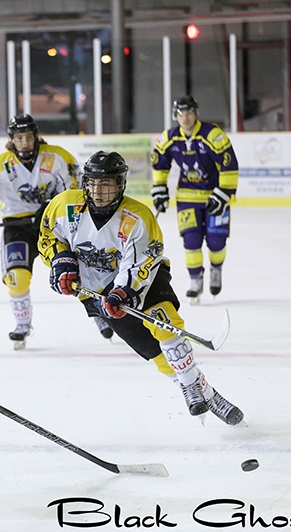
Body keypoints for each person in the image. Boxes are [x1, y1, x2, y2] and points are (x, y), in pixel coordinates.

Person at [39, 150, 243, 426]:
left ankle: (191, 386)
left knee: (164, 323)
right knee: (153, 351)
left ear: (120, 185)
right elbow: (50, 236)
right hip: (96, 292)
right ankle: (206, 393)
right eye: (93, 183)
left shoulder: (137, 216)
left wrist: (122, 291)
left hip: (142, 281)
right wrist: (60, 261)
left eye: (106, 184)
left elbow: (138, 264)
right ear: (85, 183)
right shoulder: (64, 206)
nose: (98, 191)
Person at [0, 113, 112, 350]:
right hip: (17, 228)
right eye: (19, 138)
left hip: (53, 226)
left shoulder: (58, 158)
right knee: (16, 277)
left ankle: (98, 312)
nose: (24, 142)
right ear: (11, 139)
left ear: (36, 136)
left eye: (28, 137)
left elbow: (75, 191)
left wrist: (52, 207)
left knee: (78, 270)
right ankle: (22, 324)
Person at [150, 95, 239, 302]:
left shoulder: (212, 134)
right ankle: (195, 280)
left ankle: (216, 268)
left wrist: (224, 192)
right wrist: (160, 188)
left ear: (196, 113)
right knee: (191, 240)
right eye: (181, 113)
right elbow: (159, 162)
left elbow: (229, 163)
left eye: (189, 112)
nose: (185, 118)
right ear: (175, 116)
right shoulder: (169, 137)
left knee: (216, 241)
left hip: (215, 197)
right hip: (187, 197)